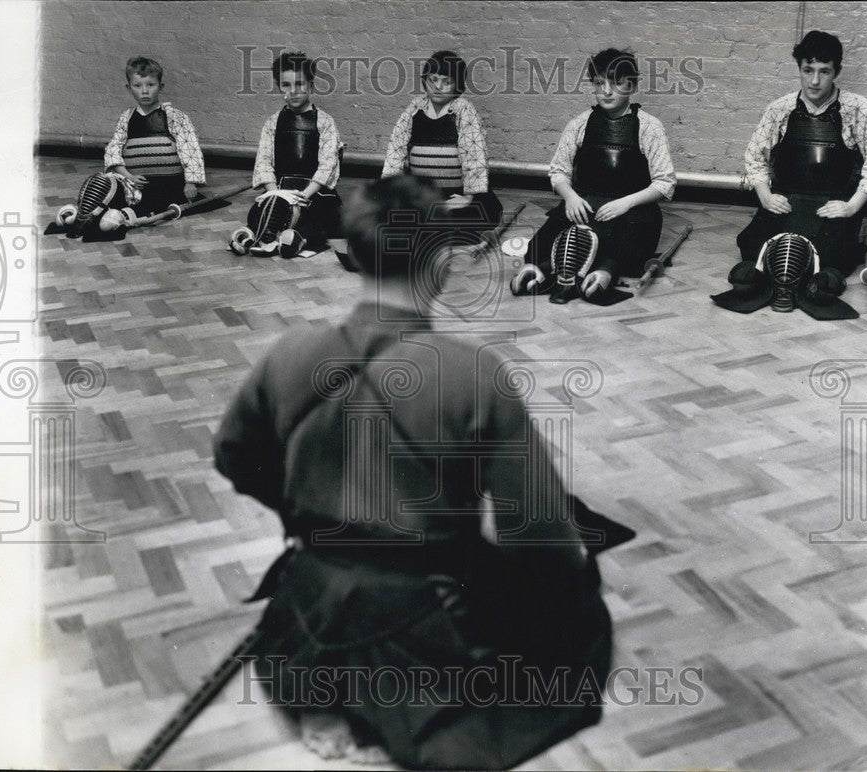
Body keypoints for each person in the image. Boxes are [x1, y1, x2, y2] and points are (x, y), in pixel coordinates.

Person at [213, 176, 623, 770]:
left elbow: (234, 454)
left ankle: (330, 697)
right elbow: (539, 541)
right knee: (580, 615)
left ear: (349, 255)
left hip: (308, 608)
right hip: (420, 625)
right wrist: (576, 574)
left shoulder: (291, 351)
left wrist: (310, 508)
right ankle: (403, 717)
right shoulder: (474, 375)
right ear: (441, 262)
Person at [718, 30, 867, 313]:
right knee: (753, 245)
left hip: (833, 203)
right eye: (808, 70)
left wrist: (852, 207)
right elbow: (755, 155)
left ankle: (824, 281)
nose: (815, 81)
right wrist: (766, 196)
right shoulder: (780, 108)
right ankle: (759, 276)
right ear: (800, 69)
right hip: (787, 199)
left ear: (837, 71)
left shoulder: (859, 109)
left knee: (833, 256)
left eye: (824, 71)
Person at [510, 47, 676, 304]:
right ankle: (540, 269)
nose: (607, 91)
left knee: (624, 247)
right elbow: (558, 171)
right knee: (540, 243)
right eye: (600, 84)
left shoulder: (649, 126)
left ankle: (604, 273)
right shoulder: (580, 123)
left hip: (632, 210)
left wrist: (626, 203)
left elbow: (665, 183)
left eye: (616, 83)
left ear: (631, 86)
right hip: (585, 204)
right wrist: (570, 198)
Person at [229, 51, 343, 258]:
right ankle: (254, 235)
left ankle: (296, 239)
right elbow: (263, 161)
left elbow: (328, 165)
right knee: (261, 210)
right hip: (282, 189)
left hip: (313, 192)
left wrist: (303, 197)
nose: (294, 91)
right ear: (279, 86)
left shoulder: (325, 122)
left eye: (300, 84)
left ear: (311, 85)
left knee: (321, 218)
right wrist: (274, 192)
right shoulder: (273, 122)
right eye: (286, 85)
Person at [381, 50, 503, 230]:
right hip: (423, 194)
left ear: (457, 85)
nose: (438, 87)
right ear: (425, 81)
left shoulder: (463, 109)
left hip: (456, 194)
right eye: (433, 80)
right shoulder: (415, 108)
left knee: (485, 212)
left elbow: (475, 155)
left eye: (447, 82)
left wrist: (468, 197)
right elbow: (396, 150)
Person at [104, 57, 205, 216]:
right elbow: (113, 151)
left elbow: (190, 149)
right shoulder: (126, 118)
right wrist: (128, 177)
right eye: (137, 86)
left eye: (151, 85)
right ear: (129, 88)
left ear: (161, 86)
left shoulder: (175, 116)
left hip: (170, 186)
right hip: (136, 187)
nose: (144, 91)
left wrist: (190, 183)